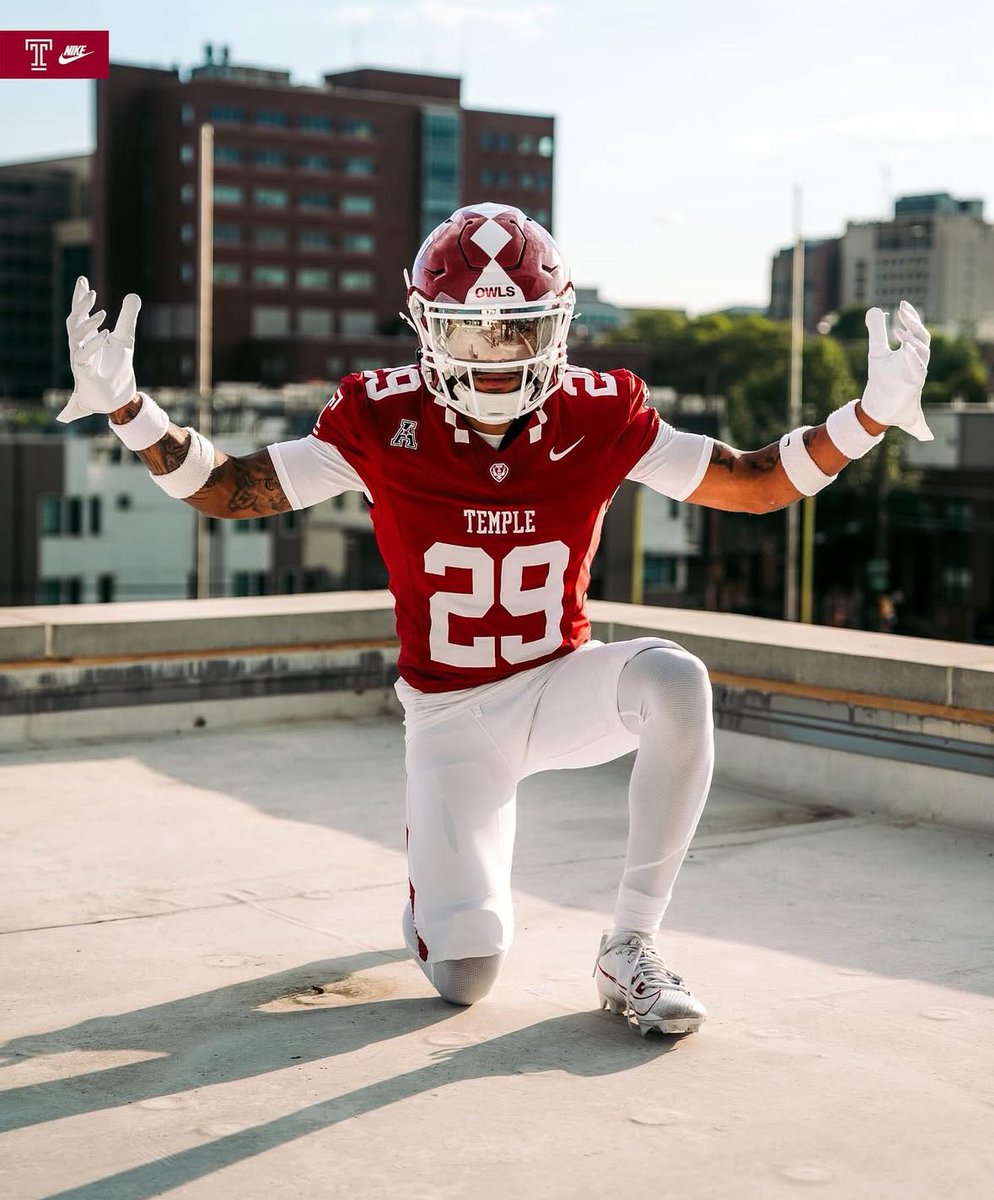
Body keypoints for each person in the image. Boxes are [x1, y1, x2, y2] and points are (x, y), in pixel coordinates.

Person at [60, 202, 931, 1035]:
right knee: (465, 980)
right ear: (425, 324)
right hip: (450, 717)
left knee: (675, 679)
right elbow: (231, 489)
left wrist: (868, 419)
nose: (494, 350)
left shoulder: (601, 409)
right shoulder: (380, 413)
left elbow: (751, 482)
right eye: (471, 327)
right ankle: (433, 903)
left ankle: (631, 943)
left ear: (557, 324)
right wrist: (132, 410)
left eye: (515, 326)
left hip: (560, 681)